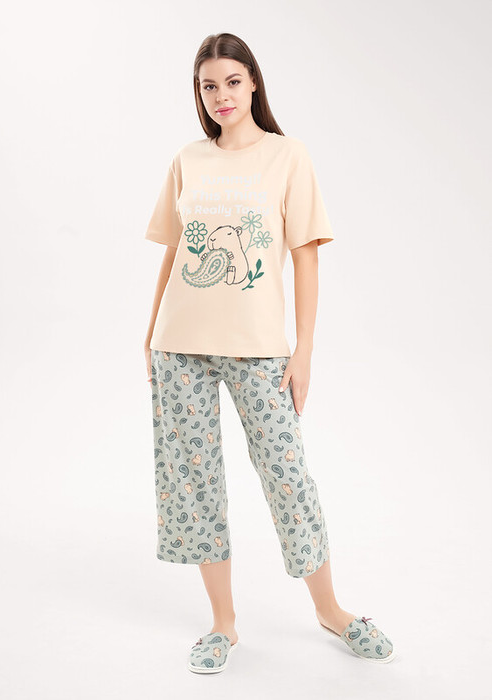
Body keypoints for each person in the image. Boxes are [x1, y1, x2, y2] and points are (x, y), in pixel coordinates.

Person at [143, 32, 395, 673]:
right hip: (180, 347)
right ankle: (223, 625)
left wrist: (303, 351)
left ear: (253, 82)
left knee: (288, 477)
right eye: (208, 86)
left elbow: (306, 256)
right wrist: (149, 334)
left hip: (259, 351)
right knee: (195, 484)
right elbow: (174, 252)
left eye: (232, 81)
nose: (221, 96)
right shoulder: (188, 160)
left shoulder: (288, 156)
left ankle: (331, 610)